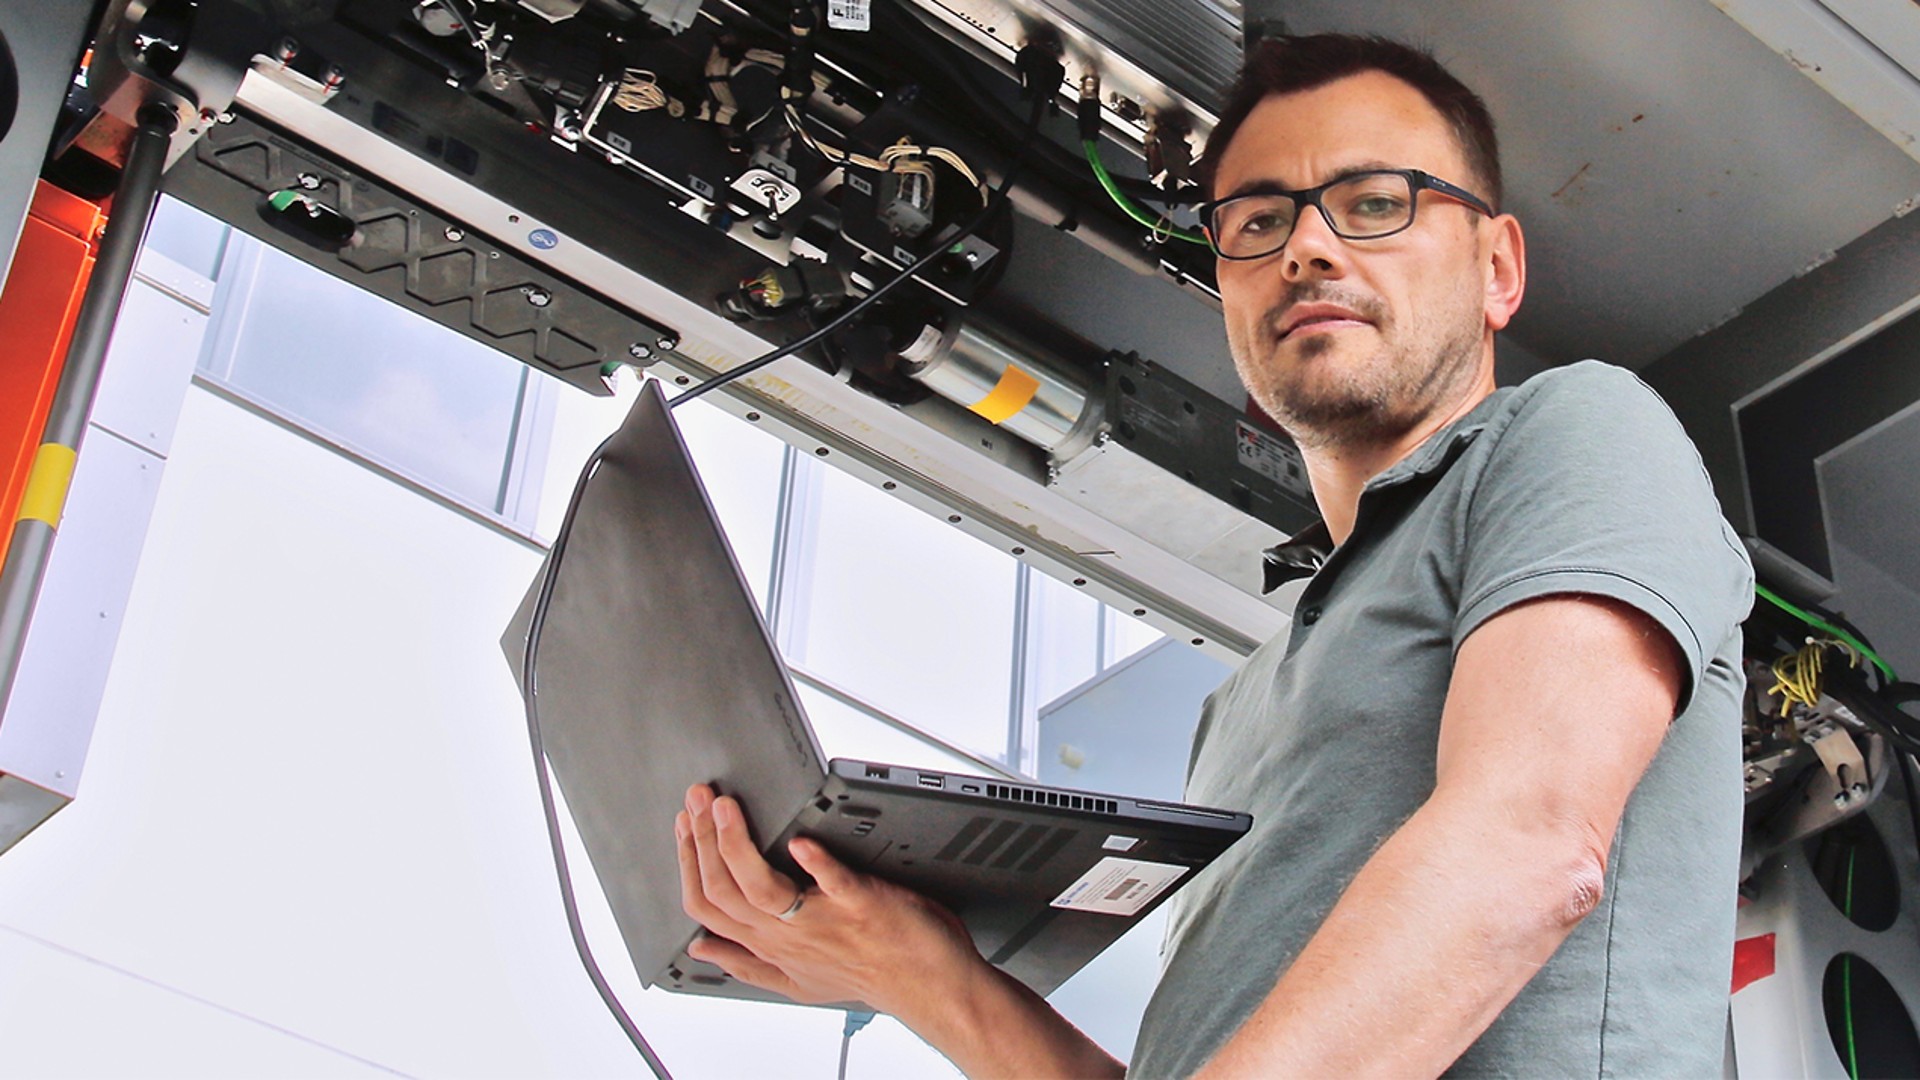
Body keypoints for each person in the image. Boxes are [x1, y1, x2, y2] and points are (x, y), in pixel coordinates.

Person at [674, 33, 1753, 1077]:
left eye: (1377, 203)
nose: (1307, 248)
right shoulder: (1236, 711)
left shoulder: (1578, 427)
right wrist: (928, 979)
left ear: (1497, 267)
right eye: (1257, 219)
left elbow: (1527, 845)